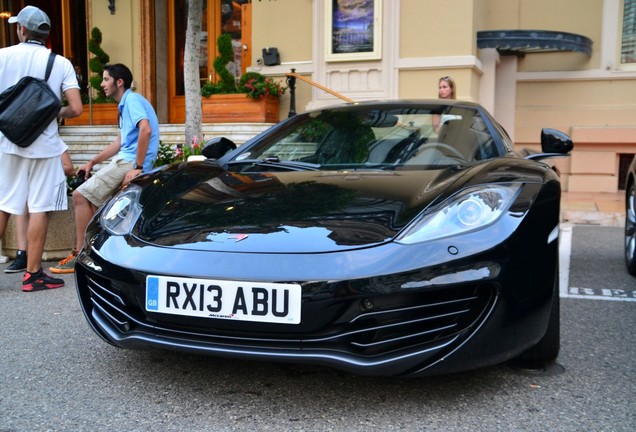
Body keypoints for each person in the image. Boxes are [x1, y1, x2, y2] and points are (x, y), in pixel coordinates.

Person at [0, 6, 83, 291]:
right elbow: (75, 108)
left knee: (3, 205)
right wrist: (48, 112)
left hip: (9, 142)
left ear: (22, 30)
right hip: (45, 147)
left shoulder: (2, 56)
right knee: (39, 208)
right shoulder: (60, 63)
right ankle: (33, 275)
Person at [50, 63, 160, 274]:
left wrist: (138, 167)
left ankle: (81, 255)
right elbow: (119, 142)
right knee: (98, 207)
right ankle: (99, 254)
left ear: (119, 82)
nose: (102, 84)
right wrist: (92, 161)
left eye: (106, 79)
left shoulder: (133, 100)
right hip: (124, 159)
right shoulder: (125, 104)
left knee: (81, 195)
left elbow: (145, 130)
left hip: (128, 162)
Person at [4, 151, 74, 274]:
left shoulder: (54, 144)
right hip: (30, 184)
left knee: (28, 206)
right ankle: (25, 260)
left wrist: (48, 170)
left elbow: (69, 169)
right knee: (22, 203)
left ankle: (27, 261)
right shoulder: (40, 140)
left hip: (42, 188)